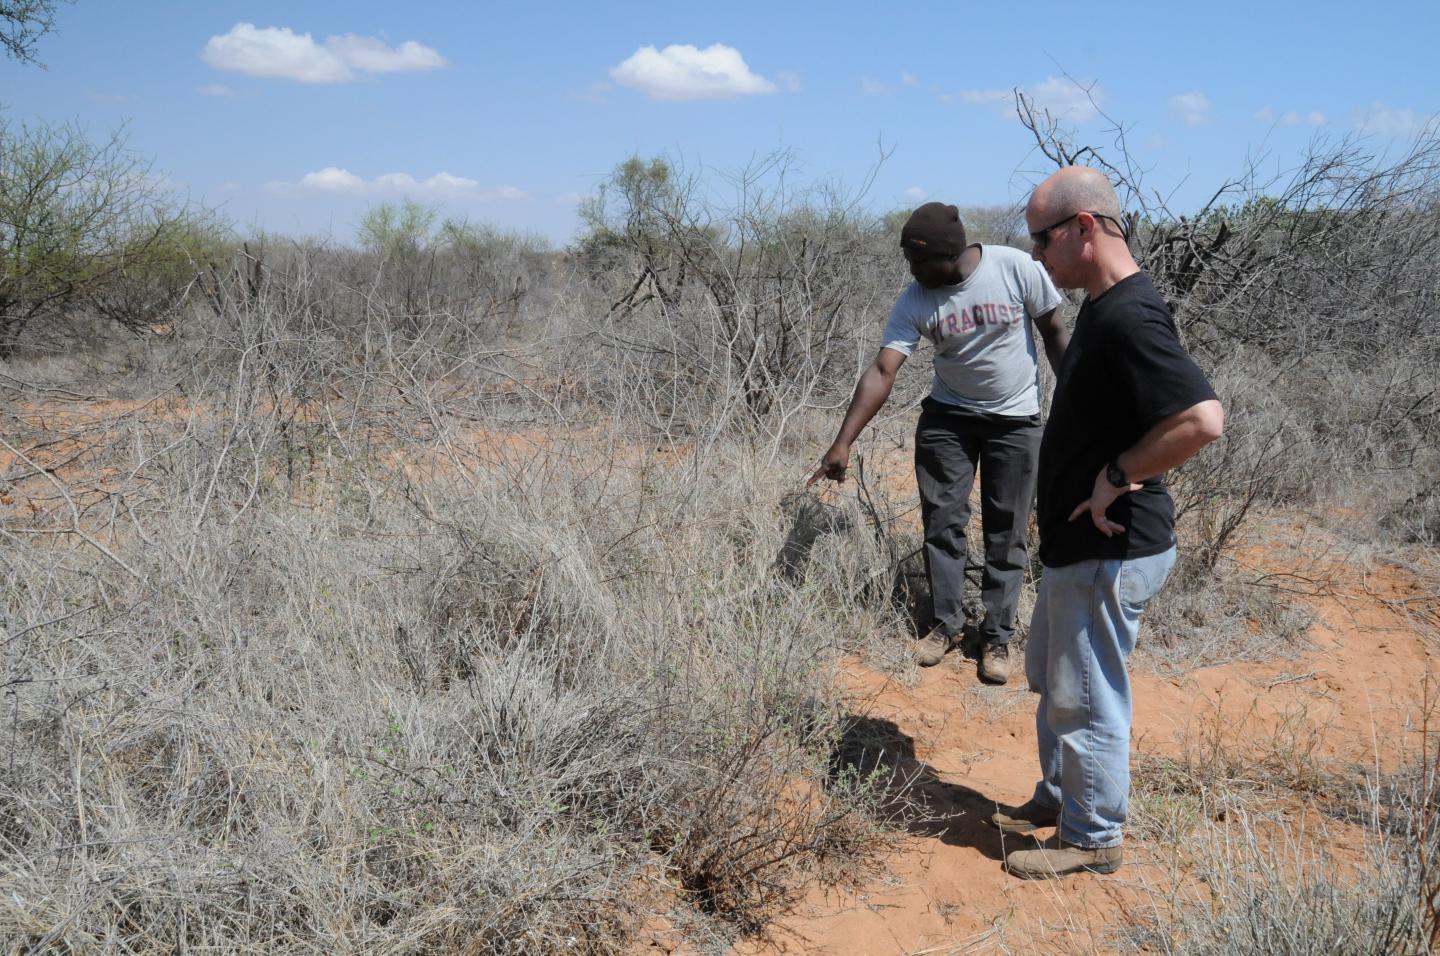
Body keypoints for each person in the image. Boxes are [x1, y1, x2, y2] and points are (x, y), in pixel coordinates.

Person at [990, 166, 1224, 879]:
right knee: (1059, 680)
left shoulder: (1129, 314)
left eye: (1041, 239)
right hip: (1078, 545)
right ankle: (1061, 797)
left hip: (1110, 546)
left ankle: (1092, 837)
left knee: (1086, 692)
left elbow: (1202, 420)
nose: (1036, 256)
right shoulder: (1104, 301)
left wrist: (1118, 475)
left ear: (1084, 227)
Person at [809, 202, 1068, 684]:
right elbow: (884, 369)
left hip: (1015, 421)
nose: (912, 271)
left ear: (948, 253)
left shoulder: (1014, 267)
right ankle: (946, 624)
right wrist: (842, 441)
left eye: (917, 260)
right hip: (949, 419)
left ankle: (997, 635)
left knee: (1006, 529)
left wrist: (1074, 406)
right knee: (942, 521)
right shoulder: (916, 298)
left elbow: (1054, 331)